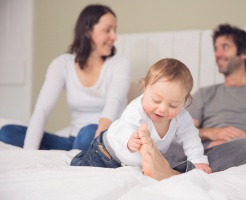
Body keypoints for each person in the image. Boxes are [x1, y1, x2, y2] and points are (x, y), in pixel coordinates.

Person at [0, 4, 131, 150]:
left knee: (88, 133)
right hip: (74, 140)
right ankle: (77, 152)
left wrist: (98, 144)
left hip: (103, 137)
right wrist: (29, 152)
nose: (114, 36)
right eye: (107, 30)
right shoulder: (62, 64)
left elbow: (113, 103)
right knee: (7, 133)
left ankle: (87, 150)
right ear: (87, 31)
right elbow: (42, 109)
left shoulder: (120, 63)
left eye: (114, 30)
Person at [164, 24, 246, 172]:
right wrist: (212, 133)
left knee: (245, 146)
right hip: (201, 149)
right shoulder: (204, 93)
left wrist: (234, 138)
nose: (217, 54)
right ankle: (188, 169)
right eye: (216, 49)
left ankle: (176, 170)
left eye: (224, 47)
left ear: (244, 52)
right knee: (162, 142)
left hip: (238, 148)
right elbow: (181, 131)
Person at [70, 58, 212, 180]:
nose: (162, 109)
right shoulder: (136, 110)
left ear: (184, 101)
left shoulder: (181, 117)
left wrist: (197, 160)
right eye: (156, 100)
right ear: (145, 88)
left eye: (173, 105)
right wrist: (129, 139)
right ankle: (79, 157)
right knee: (82, 169)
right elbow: (123, 127)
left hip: (131, 164)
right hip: (106, 153)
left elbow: (190, 137)